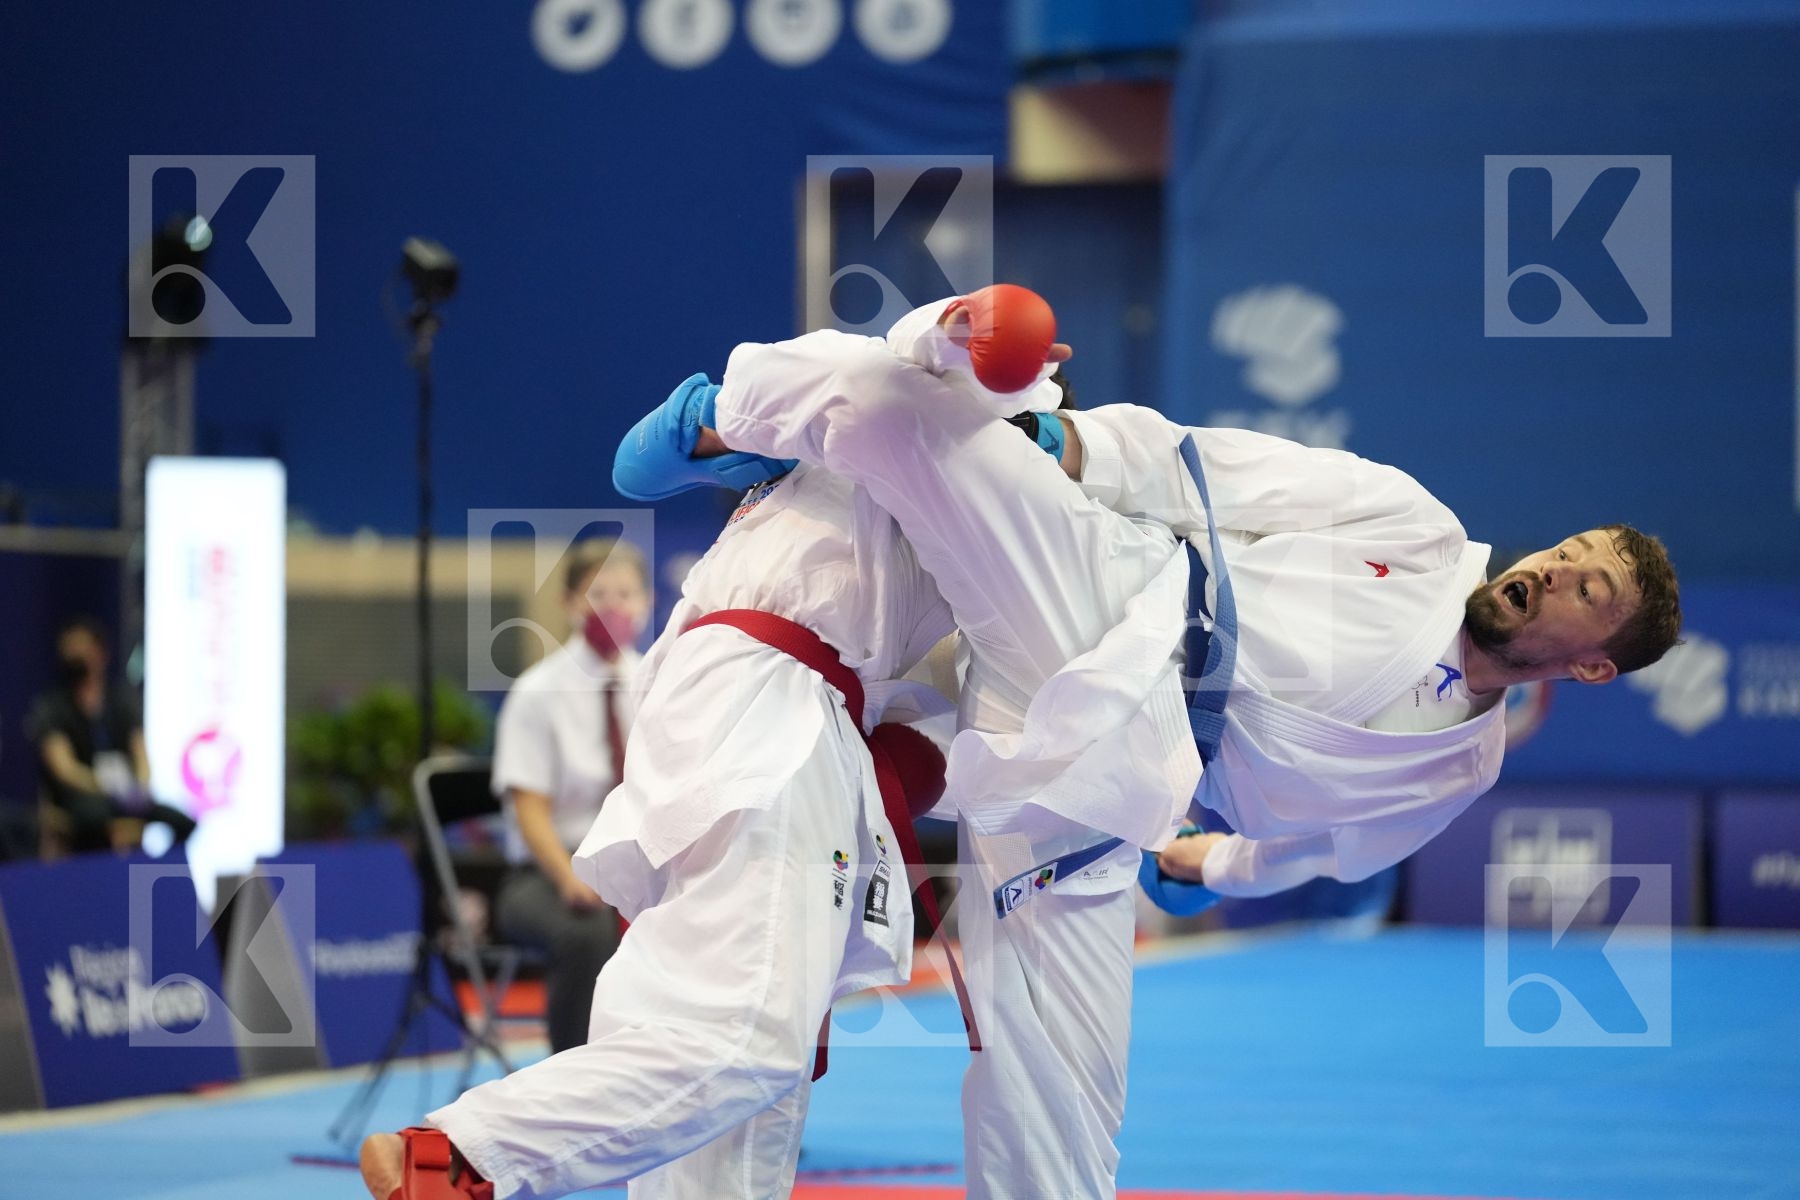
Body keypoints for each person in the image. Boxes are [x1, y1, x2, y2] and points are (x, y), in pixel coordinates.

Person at [692, 287, 1683, 1197]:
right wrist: (1063, 442)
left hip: (1114, 786)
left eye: (1585, 588)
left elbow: (1301, 854)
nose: (1552, 571)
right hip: (1116, 598)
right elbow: (1223, 471)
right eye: (1565, 553)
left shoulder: (1455, 769)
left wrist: (1207, 863)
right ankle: (721, 416)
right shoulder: (1421, 533)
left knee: (1067, 1110)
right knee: (928, 423)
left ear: (1592, 665)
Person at [361, 371, 963, 1199]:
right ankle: (463, 1152)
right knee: (752, 1033)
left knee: (714, 1050)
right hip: (774, 716)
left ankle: (469, 1151)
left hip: (734, 723)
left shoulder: (822, 482)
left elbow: (646, 456)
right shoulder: (876, 417)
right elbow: (648, 455)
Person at [489, 544, 649, 1054]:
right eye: (598, 594)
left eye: (625, 594)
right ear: (569, 603)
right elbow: (529, 809)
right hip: (549, 874)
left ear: (646, 604)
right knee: (587, 936)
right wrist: (569, 877)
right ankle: (573, 1078)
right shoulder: (538, 692)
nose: (614, 607)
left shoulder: (658, 682)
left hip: (639, 867)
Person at [26, 616, 194, 854]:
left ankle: (162, 879)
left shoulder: (120, 701)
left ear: (100, 652)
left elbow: (141, 754)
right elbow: (65, 769)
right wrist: (105, 788)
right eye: (69, 649)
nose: (75, 656)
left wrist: (139, 789)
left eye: (81, 648)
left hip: (125, 796)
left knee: (181, 822)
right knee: (96, 820)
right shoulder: (53, 707)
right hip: (83, 798)